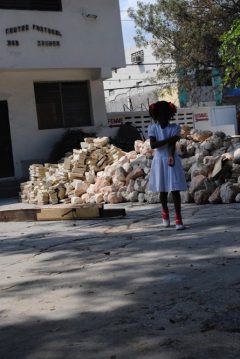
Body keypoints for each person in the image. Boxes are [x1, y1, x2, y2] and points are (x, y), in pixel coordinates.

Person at [148, 101, 187, 230]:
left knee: (175, 190)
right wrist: (170, 139)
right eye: (160, 115)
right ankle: (165, 214)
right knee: (162, 190)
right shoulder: (153, 128)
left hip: (171, 158)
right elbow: (153, 145)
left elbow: (171, 145)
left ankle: (178, 218)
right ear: (156, 116)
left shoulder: (174, 127)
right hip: (158, 160)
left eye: (165, 115)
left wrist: (170, 156)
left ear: (169, 115)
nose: (163, 118)